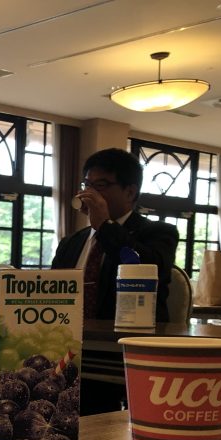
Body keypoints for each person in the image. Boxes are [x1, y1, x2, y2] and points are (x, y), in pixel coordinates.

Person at [52, 147, 179, 413]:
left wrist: (105, 226)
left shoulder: (158, 233)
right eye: (87, 185)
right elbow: (54, 291)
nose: (90, 193)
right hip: (70, 348)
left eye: (101, 185)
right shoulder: (72, 242)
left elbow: (147, 266)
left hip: (126, 352)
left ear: (130, 192)